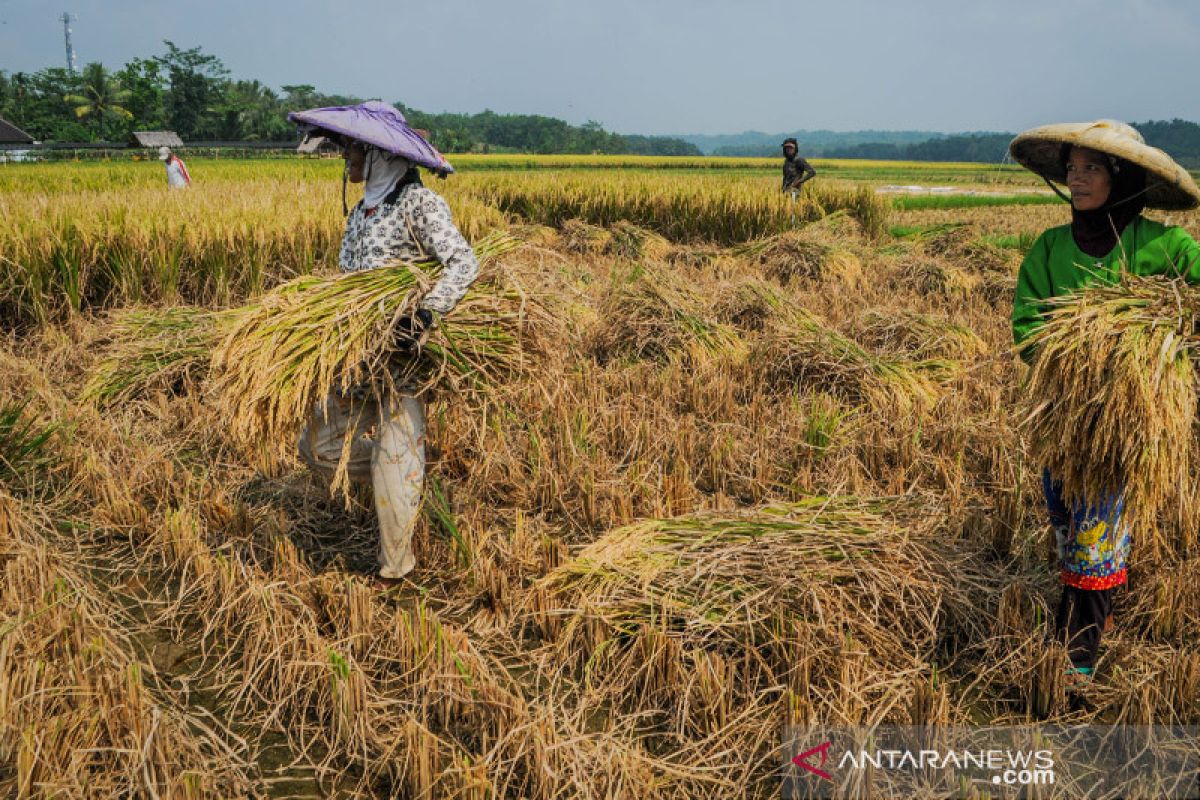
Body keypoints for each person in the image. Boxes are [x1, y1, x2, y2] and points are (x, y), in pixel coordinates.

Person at [1009, 120, 1200, 691]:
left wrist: (1149, 346)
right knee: (1066, 519)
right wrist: (1077, 353)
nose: (1076, 176)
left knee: (1096, 532)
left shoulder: (1168, 246)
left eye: (1091, 167)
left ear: (1122, 178)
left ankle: (1077, 660)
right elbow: (1026, 325)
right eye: (1072, 166)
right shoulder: (1049, 247)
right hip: (1064, 418)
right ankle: (1101, 598)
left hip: (1129, 420)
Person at [292, 106, 479, 590]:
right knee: (316, 446)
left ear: (380, 154)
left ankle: (396, 568)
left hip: (402, 359)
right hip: (357, 361)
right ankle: (403, 469)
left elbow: (463, 261)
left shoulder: (420, 204)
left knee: (394, 463)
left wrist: (427, 312)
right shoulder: (360, 212)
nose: (346, 157)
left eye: (353, 148)